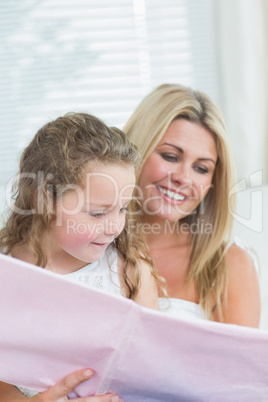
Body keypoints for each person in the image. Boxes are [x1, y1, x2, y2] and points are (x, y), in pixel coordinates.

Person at [0, 112, 159, 401]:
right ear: (43, 199)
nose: (114, 227)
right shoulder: (6, 271)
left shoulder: (128, 268)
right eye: (98, 213)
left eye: (123, 209)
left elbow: (152, 371)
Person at [124, 83, 260, 326]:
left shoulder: (228, 264)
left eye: (201, 168)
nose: (183, 178)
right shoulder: (85, 245)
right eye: (170, 156)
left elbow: (239, 364)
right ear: (137, 150)